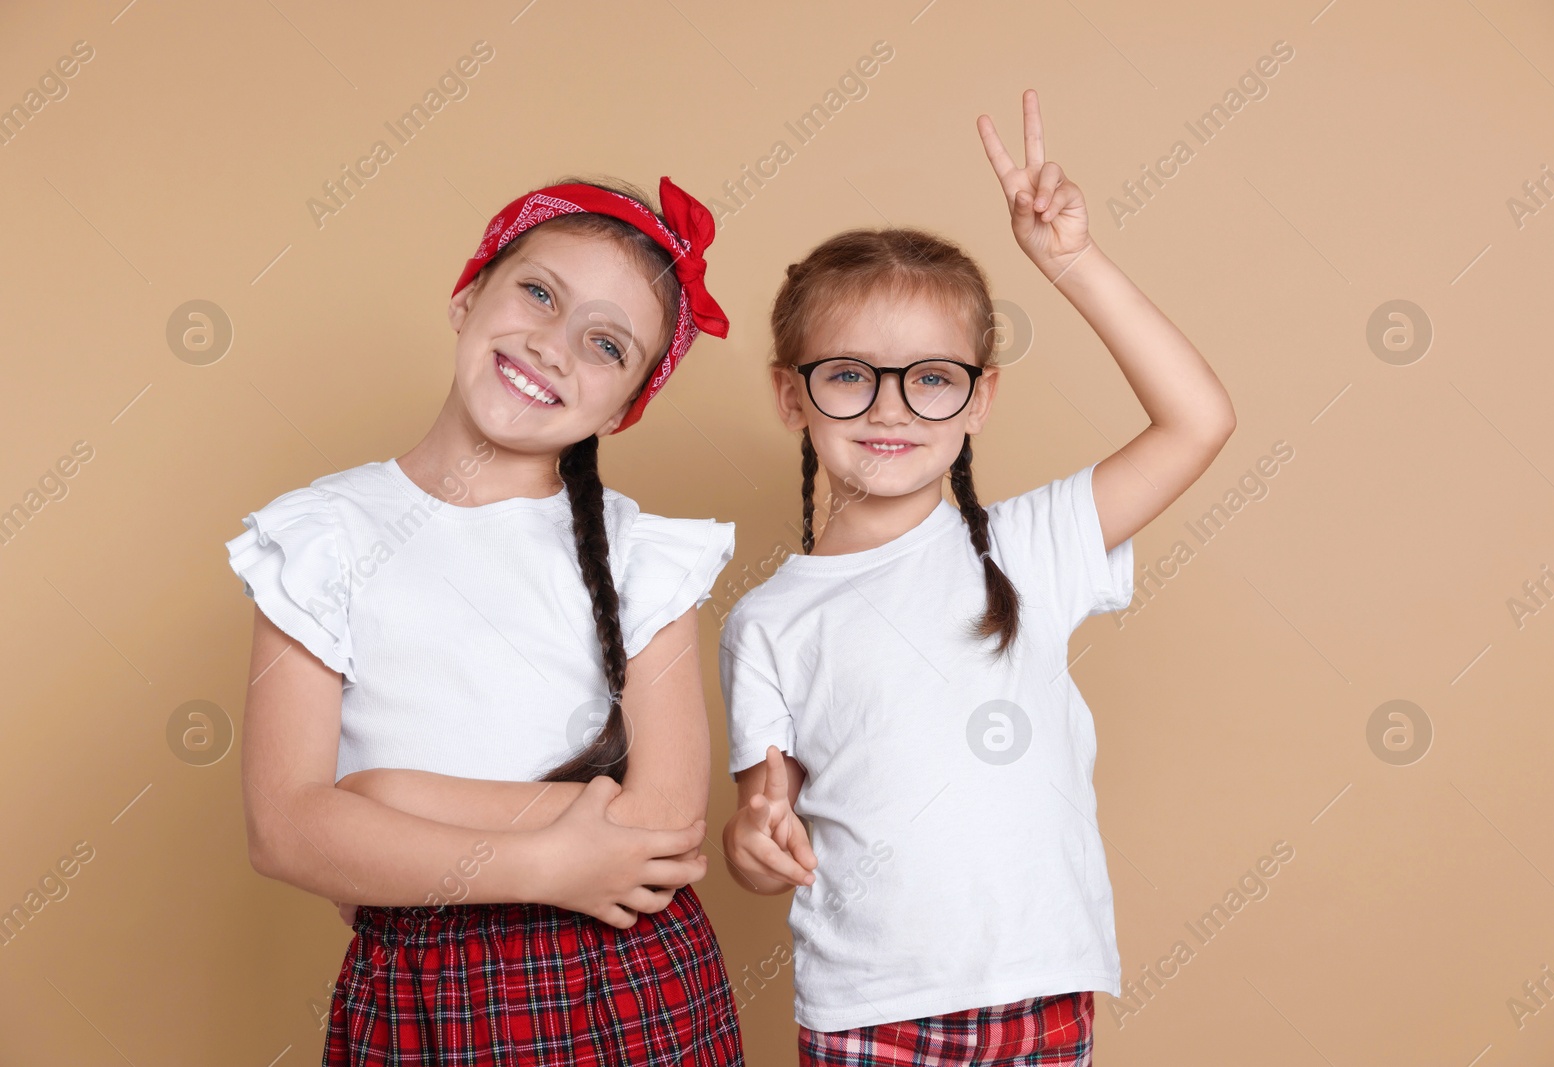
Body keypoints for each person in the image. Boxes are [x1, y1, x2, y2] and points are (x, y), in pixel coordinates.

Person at [718, 90, 1236, 1065]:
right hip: (866, 1008)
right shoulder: (767, 618)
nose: (890, 406)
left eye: (931, 376)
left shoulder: (1027, 543)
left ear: (977, 398)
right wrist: (752, 839)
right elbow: (765, 813)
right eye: (847, 374)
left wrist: (1072, 262)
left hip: (1040, 990)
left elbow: (1197, 420)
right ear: (792, 394)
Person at [225, 175, 745, 1064]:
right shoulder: (322, 537)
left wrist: (385, 800)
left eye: (605, 345)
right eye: (539, 292)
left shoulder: (640, 553)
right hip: (422, 992)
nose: (552, 345)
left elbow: (660, 822)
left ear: (623, 409)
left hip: (627, 975)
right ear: (469, 293)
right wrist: (552, 864)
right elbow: (285, 828)